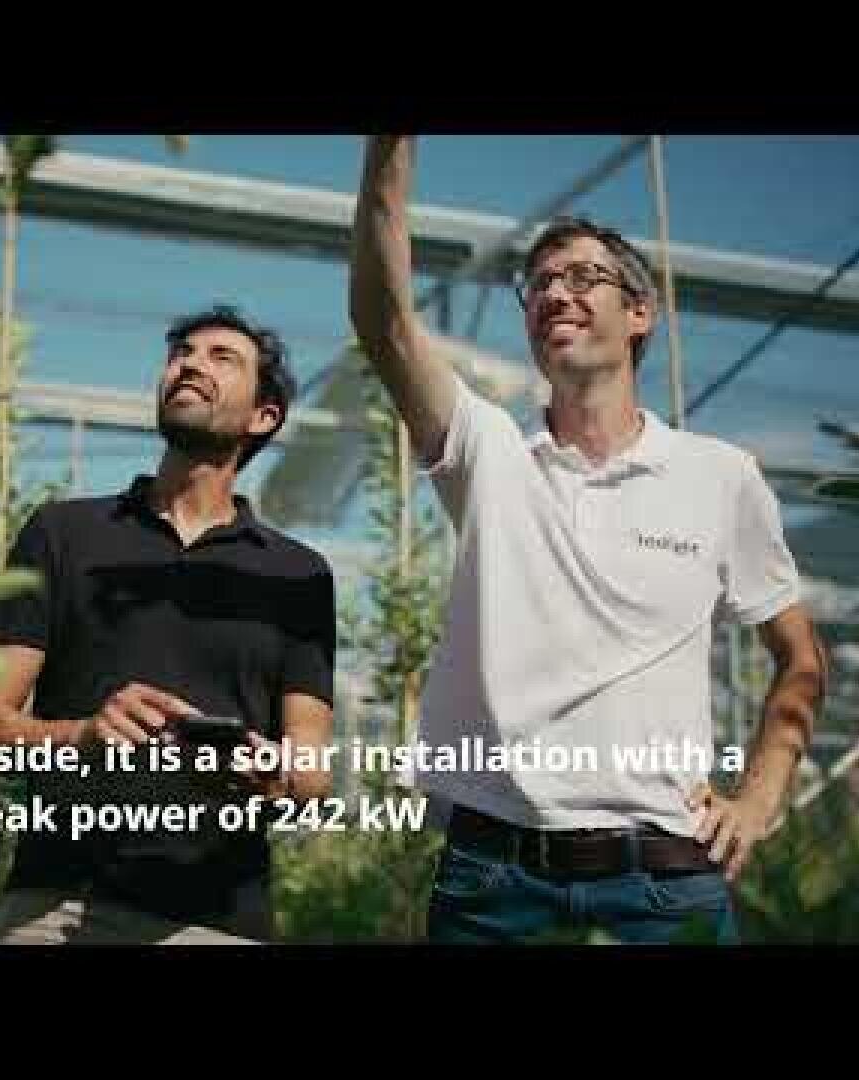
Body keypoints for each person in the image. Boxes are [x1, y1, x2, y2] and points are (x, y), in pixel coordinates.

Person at [348, 136, 826, 944]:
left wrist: (758, 798)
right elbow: (384, 322)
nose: (554, 293)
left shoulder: (720, 476)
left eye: (583, 277)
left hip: (666, 882)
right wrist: (390, 150)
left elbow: (802, 660)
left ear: (641, 314)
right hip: (494, 881)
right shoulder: (489, 456)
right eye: (537, 284)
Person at [0, 304, 337, 945]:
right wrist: (84, 733)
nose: (190, 363)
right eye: (182, 353)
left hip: (219, 920)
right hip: (60, 907)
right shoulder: (63, 533)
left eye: (223, 358)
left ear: (262, 417)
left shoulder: (297, 575)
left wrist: (281, 774)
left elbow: (311, 767)